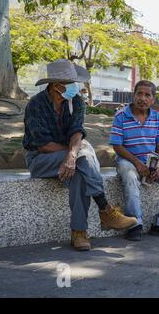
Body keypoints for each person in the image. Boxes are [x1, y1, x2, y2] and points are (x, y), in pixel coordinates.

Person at [23, 59, 137, 251]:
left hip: (69, 156)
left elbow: (77, 132)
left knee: (79, 175)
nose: (74, 87)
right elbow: (42, 145)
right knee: (84, 155)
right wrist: (74, 153)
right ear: (55, 85)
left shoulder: (75, 101)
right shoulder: (36, 105)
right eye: (69, 83)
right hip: (40, 159)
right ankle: (105, 209)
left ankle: (79, 232)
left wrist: (72, 155)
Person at [110, 80, 159, 241]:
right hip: (127, 160)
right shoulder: (121, 116)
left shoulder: (157, 117)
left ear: (153, 99)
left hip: (151, 160)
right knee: (130, 176)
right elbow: (116, 145)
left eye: (147, 95)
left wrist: (156, 163)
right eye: (139, 94)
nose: (142, 98)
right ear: (133, 95)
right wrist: (137, 163)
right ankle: (135, 224)